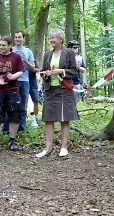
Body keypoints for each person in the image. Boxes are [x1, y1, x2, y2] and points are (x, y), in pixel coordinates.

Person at [36, 29, 79, 158]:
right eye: (50, 38)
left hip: (64, 90)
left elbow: (73, 71)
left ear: (61, 39)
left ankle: (64, 147)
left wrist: (60, 71)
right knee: (48, 119)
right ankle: (48, 148)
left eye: (53, 37)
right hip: (50, 90)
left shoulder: (69, 53)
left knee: (64, 118)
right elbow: (43, 71)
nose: (51, 40)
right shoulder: (47, 55)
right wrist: (47, 74)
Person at [0, 36, 24, 155]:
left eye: (3, 45)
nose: (1, 47)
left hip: (13, 90)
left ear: (9, 45)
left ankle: (12, 141)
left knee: (15, 115)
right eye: (0, 45)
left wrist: (13, 76)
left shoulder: (16, 57)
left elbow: (21, 71)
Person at [67, 40, 86, 104]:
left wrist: (77, 67)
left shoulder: (79, 58)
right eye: (74, 48)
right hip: (66, 82)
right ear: (69, 48)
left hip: (76, 82)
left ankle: (75, 113)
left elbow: (84, 70)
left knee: (75, 101)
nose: (76, 49)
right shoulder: (64, 58)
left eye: (77, 47)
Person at [28, 60, 40, 128]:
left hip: (32, 82)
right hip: (22, 82)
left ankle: (35, 117)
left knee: (36, 100)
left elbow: (37, 69)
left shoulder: (31, 58)